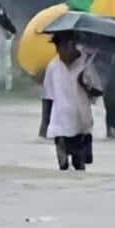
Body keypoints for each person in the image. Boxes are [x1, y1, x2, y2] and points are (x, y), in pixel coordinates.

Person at [44, 33, 96, 170]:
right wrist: (45, 124)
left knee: (79, 166)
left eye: (62, 48)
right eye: (57, 49)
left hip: (81, 124)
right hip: (60, 124)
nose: (59, 53)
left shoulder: (86, 64)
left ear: (71, 45)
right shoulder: (53, 67)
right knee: (63, 167)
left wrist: (86, 85)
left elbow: (96, 94)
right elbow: (48, 96)